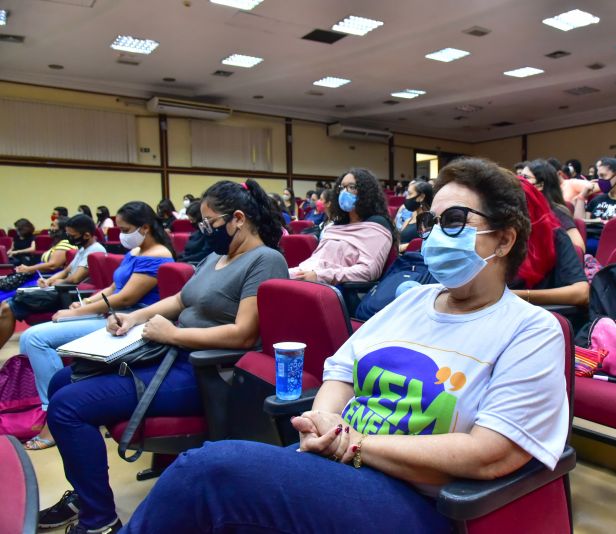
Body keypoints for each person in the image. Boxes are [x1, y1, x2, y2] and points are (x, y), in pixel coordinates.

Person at [121, 157, 569, 534]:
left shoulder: (531, 329)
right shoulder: (412, 300)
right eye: (431, 222)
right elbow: (340, 368)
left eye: (455, 222)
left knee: (206, 473)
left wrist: (353, 444)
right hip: (339, 462)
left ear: (505, 238)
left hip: (416, 499)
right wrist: (330, 420)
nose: (434, 235)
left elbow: (488, 454)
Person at [38, 179, 289, 533]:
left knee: (66, 407)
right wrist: (132, 318)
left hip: (206, 371)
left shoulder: (265, 260)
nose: (204, 231)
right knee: (62, 379)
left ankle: (99, 521)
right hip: (171, 353)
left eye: (209, 223)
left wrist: (173, 334)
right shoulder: (218, 256)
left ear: (237, 218)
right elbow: (180, 300)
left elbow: (244, 334)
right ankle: (85, 492)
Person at [19, 201, 175, 451]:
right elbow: (115, 287)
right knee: (28, 338)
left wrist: (80, 311)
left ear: (144, 227)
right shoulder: (135, 252)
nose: (122, 235)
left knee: (36, 338)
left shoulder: (158, 254)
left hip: (130, 319)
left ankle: (52, 413)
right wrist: (88, 301)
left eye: (126, 229)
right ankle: (47, 406)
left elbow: (127, 298)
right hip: (111, 313)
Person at [0, 214, 105, 352]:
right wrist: (49, 280)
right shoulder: (83, 249)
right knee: (7, 304)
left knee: (8, 307)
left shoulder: (96, 250)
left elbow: (75, 278)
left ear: (86, 235)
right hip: (60, 290)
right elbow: (66, 271)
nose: (69, 238)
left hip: (70, 294)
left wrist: (54, 282)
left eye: (72, 235)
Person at [290, 168, 394, 284]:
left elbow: (368, 270)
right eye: (342, 187)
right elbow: (317, 260)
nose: (344, 192)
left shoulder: (376, 224)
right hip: (309, 274)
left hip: (337, 287)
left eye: (352, 187)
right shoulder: (335, 225)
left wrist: (320, 276)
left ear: (366, 192)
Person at [511, 177, 589, 306]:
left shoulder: (554, 231)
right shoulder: (483, 238)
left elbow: (582, 292)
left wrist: (516, 295)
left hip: (537, 313)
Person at [0, 217, 76, 298]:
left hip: (47, 277)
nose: (50, 228)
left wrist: (29, 268)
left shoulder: (66, 243)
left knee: (7, 297)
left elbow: (53, 265)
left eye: (53, 225)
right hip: (40, 275)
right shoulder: (58, 243)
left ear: (63, 229)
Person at [519, 160, 585, 252]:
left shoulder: (557, 213)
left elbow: (579, 248)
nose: (520, 180)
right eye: (520, 176)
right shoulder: (521, 209)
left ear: (540, 185)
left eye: (525, 177)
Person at [398, 180, 433, 252]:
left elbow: (427, 243)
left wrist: (405, 247)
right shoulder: (409, 220)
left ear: (421, 197)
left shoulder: (429, 220)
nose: (407, 197)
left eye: (410, 194)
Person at [177, 200, 213, 264]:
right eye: (190, 220)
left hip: (196, 263)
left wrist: (183, 259)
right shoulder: (196, 233)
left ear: (199, 218)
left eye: (192, 220)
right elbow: (187, 250)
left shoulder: (209, 233)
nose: (191, 222)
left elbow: (204, 254)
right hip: (187, 260)